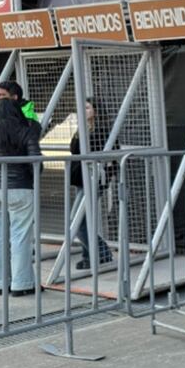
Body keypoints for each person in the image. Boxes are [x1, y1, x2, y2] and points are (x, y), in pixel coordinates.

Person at [0, 98, 42, 296]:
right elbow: (35, 160)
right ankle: (22, 284)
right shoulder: (25, 130)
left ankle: (0, 283)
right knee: (20, 235)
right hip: (19, 186)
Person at [69, 98, 115, 270]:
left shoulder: (103, 131)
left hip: (94, 180)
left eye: (87, 107)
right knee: (83, 220)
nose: (84, 110)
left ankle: (102, 254)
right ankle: (88, 256)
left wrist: (104, 178)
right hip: (81, 180)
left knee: (77, 221)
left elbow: (112, 156)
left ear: (96, 110)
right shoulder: (82, 130)